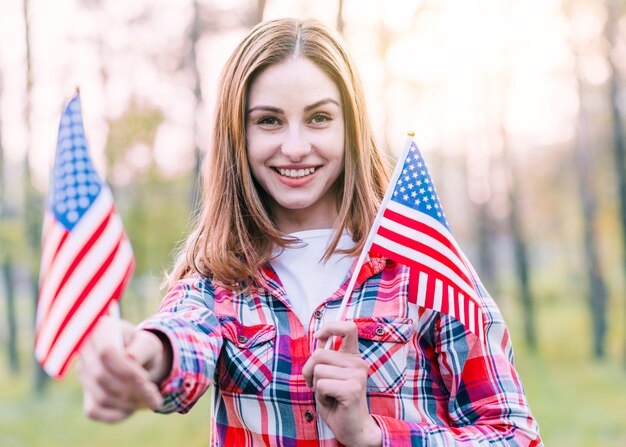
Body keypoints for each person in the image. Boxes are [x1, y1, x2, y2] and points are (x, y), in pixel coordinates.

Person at [78, 18, 542, 446]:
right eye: (269, 121)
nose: (296, 148)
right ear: (237, 136)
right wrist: (141, 352)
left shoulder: (420, 264)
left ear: (351, 128)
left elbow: (513, 433)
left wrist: (374, 435)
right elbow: (183, 337)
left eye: (319, 118)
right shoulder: (217, 277)